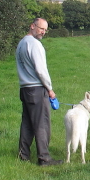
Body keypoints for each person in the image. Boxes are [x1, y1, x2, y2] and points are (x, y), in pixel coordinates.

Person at [16, 18, 62, 166]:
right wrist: (50, 89)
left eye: (45, 30)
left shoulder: (21, 43)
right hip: (36, 89)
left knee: (27, 124)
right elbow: (41, 71)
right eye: (41, 28)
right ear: (32, 26)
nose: (43, 32)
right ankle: (44, 159)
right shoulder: (35, 44)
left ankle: (23, 156)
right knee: (42, 124)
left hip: (24, 89)